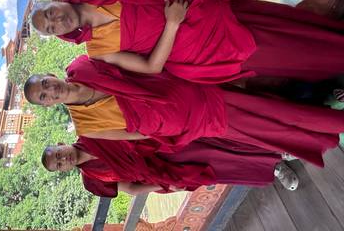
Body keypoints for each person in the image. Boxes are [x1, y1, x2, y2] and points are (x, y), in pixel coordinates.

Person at [30, 0, 344, 85]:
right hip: (202, 52)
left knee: (294, 33)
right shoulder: (97, 49)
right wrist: (172, 24)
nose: (56, 21)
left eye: (50, 13)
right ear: (56, 36)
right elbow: (152, 67)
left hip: (209, 12)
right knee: (290, 58)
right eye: (50, 27)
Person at [25, 55, 344, 168]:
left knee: (261, 100)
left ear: (49, 75)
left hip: (181, 87)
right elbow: (133, 134)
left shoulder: (82, 65)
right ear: (48, 105)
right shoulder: (86, 126)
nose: (50, 91)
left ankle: (324, 109)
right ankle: (327, 123)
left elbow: (137, 66)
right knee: (257, 126)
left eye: (44, 83)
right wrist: (174, 126)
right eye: (44, 97)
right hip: (181, 119)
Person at [41, 137, 299, 194]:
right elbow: (130, 188)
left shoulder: (91, 133)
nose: (64, 160)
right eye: (59, 164)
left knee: (220, 148)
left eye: (59, 154)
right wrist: (165, 184)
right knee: (220, 171)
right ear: (62, 171)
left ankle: (277, 151)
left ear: (62, 143)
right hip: (165, 174)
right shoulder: (92, 179)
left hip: (163, 146)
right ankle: (273, 169)